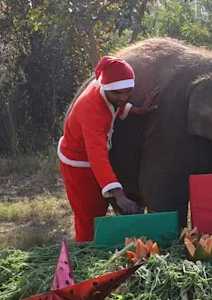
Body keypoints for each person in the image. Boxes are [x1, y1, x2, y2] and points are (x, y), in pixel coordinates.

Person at [58, 56, 158, 242]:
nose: (123, 97)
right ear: (105, 88)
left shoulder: (106, 91)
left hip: (91, 158)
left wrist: (135, 110)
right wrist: (119, 194)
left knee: (97, 207)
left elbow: (113, 105)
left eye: (128, 92)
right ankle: (84, 253)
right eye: (117, 93)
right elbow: (96, 155)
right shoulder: (92, 109)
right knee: (89, 214)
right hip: (78, 163)